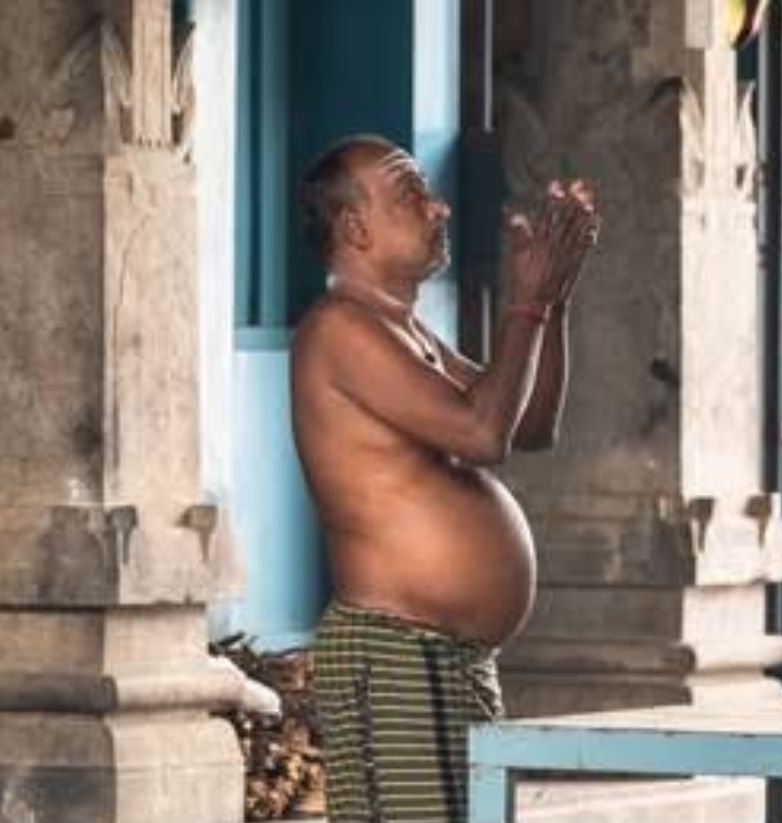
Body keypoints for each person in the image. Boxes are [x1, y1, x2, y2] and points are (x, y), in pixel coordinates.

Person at [290, 134, 599, 823]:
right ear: (354, 227)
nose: (440, 208)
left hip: (443, 657)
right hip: (395, 654)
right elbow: (482, 434)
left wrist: (553, 301)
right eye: (412, 194)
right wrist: (525, 306)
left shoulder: (404, 331)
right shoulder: (337, 329)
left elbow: (532, 423)